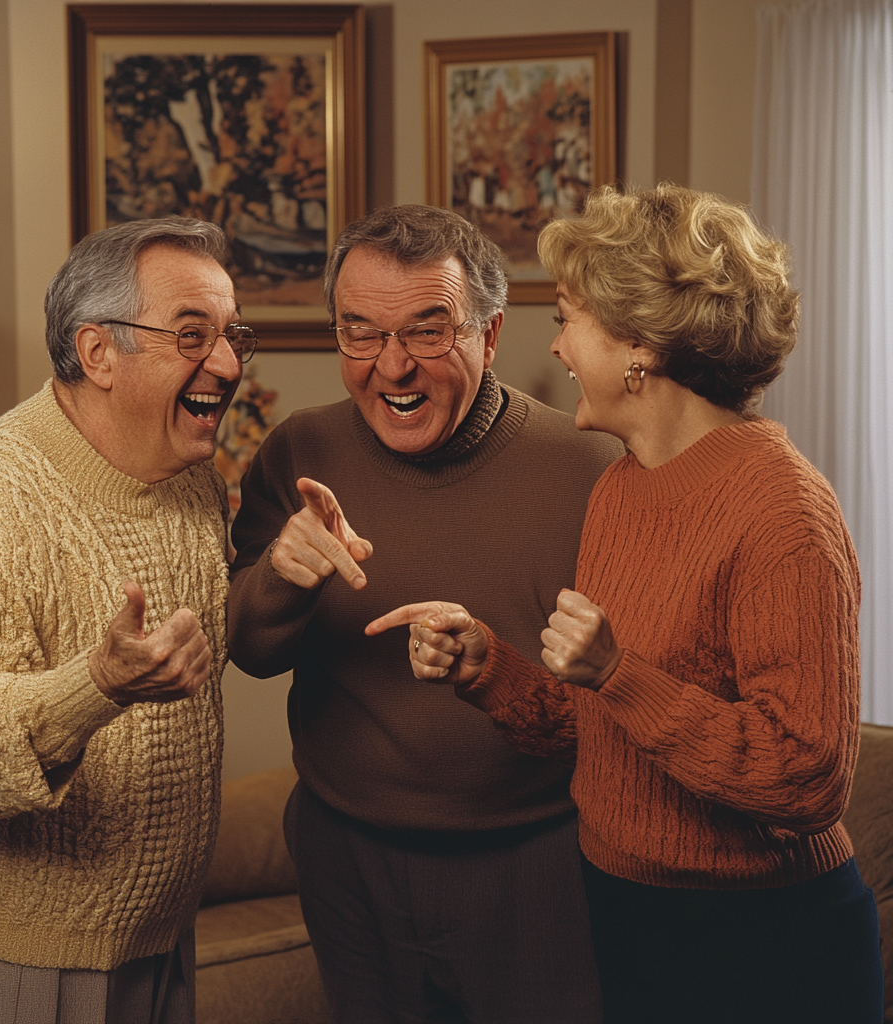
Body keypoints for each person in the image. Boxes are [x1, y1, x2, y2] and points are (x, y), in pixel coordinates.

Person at [369, 184, 885, 1024]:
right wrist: (488, 668)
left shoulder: (783, 511)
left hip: (763, 942)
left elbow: (808, 775)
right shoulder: (620, 487)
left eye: (568, 317)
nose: (559, 345)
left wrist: (618, 673)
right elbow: (602, 727)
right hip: (629, 912)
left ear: (638, 345)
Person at [227, 204, 622, 1024]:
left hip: (535, 858)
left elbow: (629, 693)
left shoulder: (591, 466)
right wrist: (283, 575)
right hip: (347, 853)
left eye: (427, 331)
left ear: (489, 334)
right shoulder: (299, 452)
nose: (392, 366)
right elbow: (252, 651)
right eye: (360, 333)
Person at [0, 217, 257, 1024]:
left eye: (233, 335)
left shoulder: (192, 478)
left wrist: (285, 574)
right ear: (97, 353)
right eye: (193, 335)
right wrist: (98, 684)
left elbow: (191, 662)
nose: (226, 366)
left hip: (156, 931)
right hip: (20, 946)